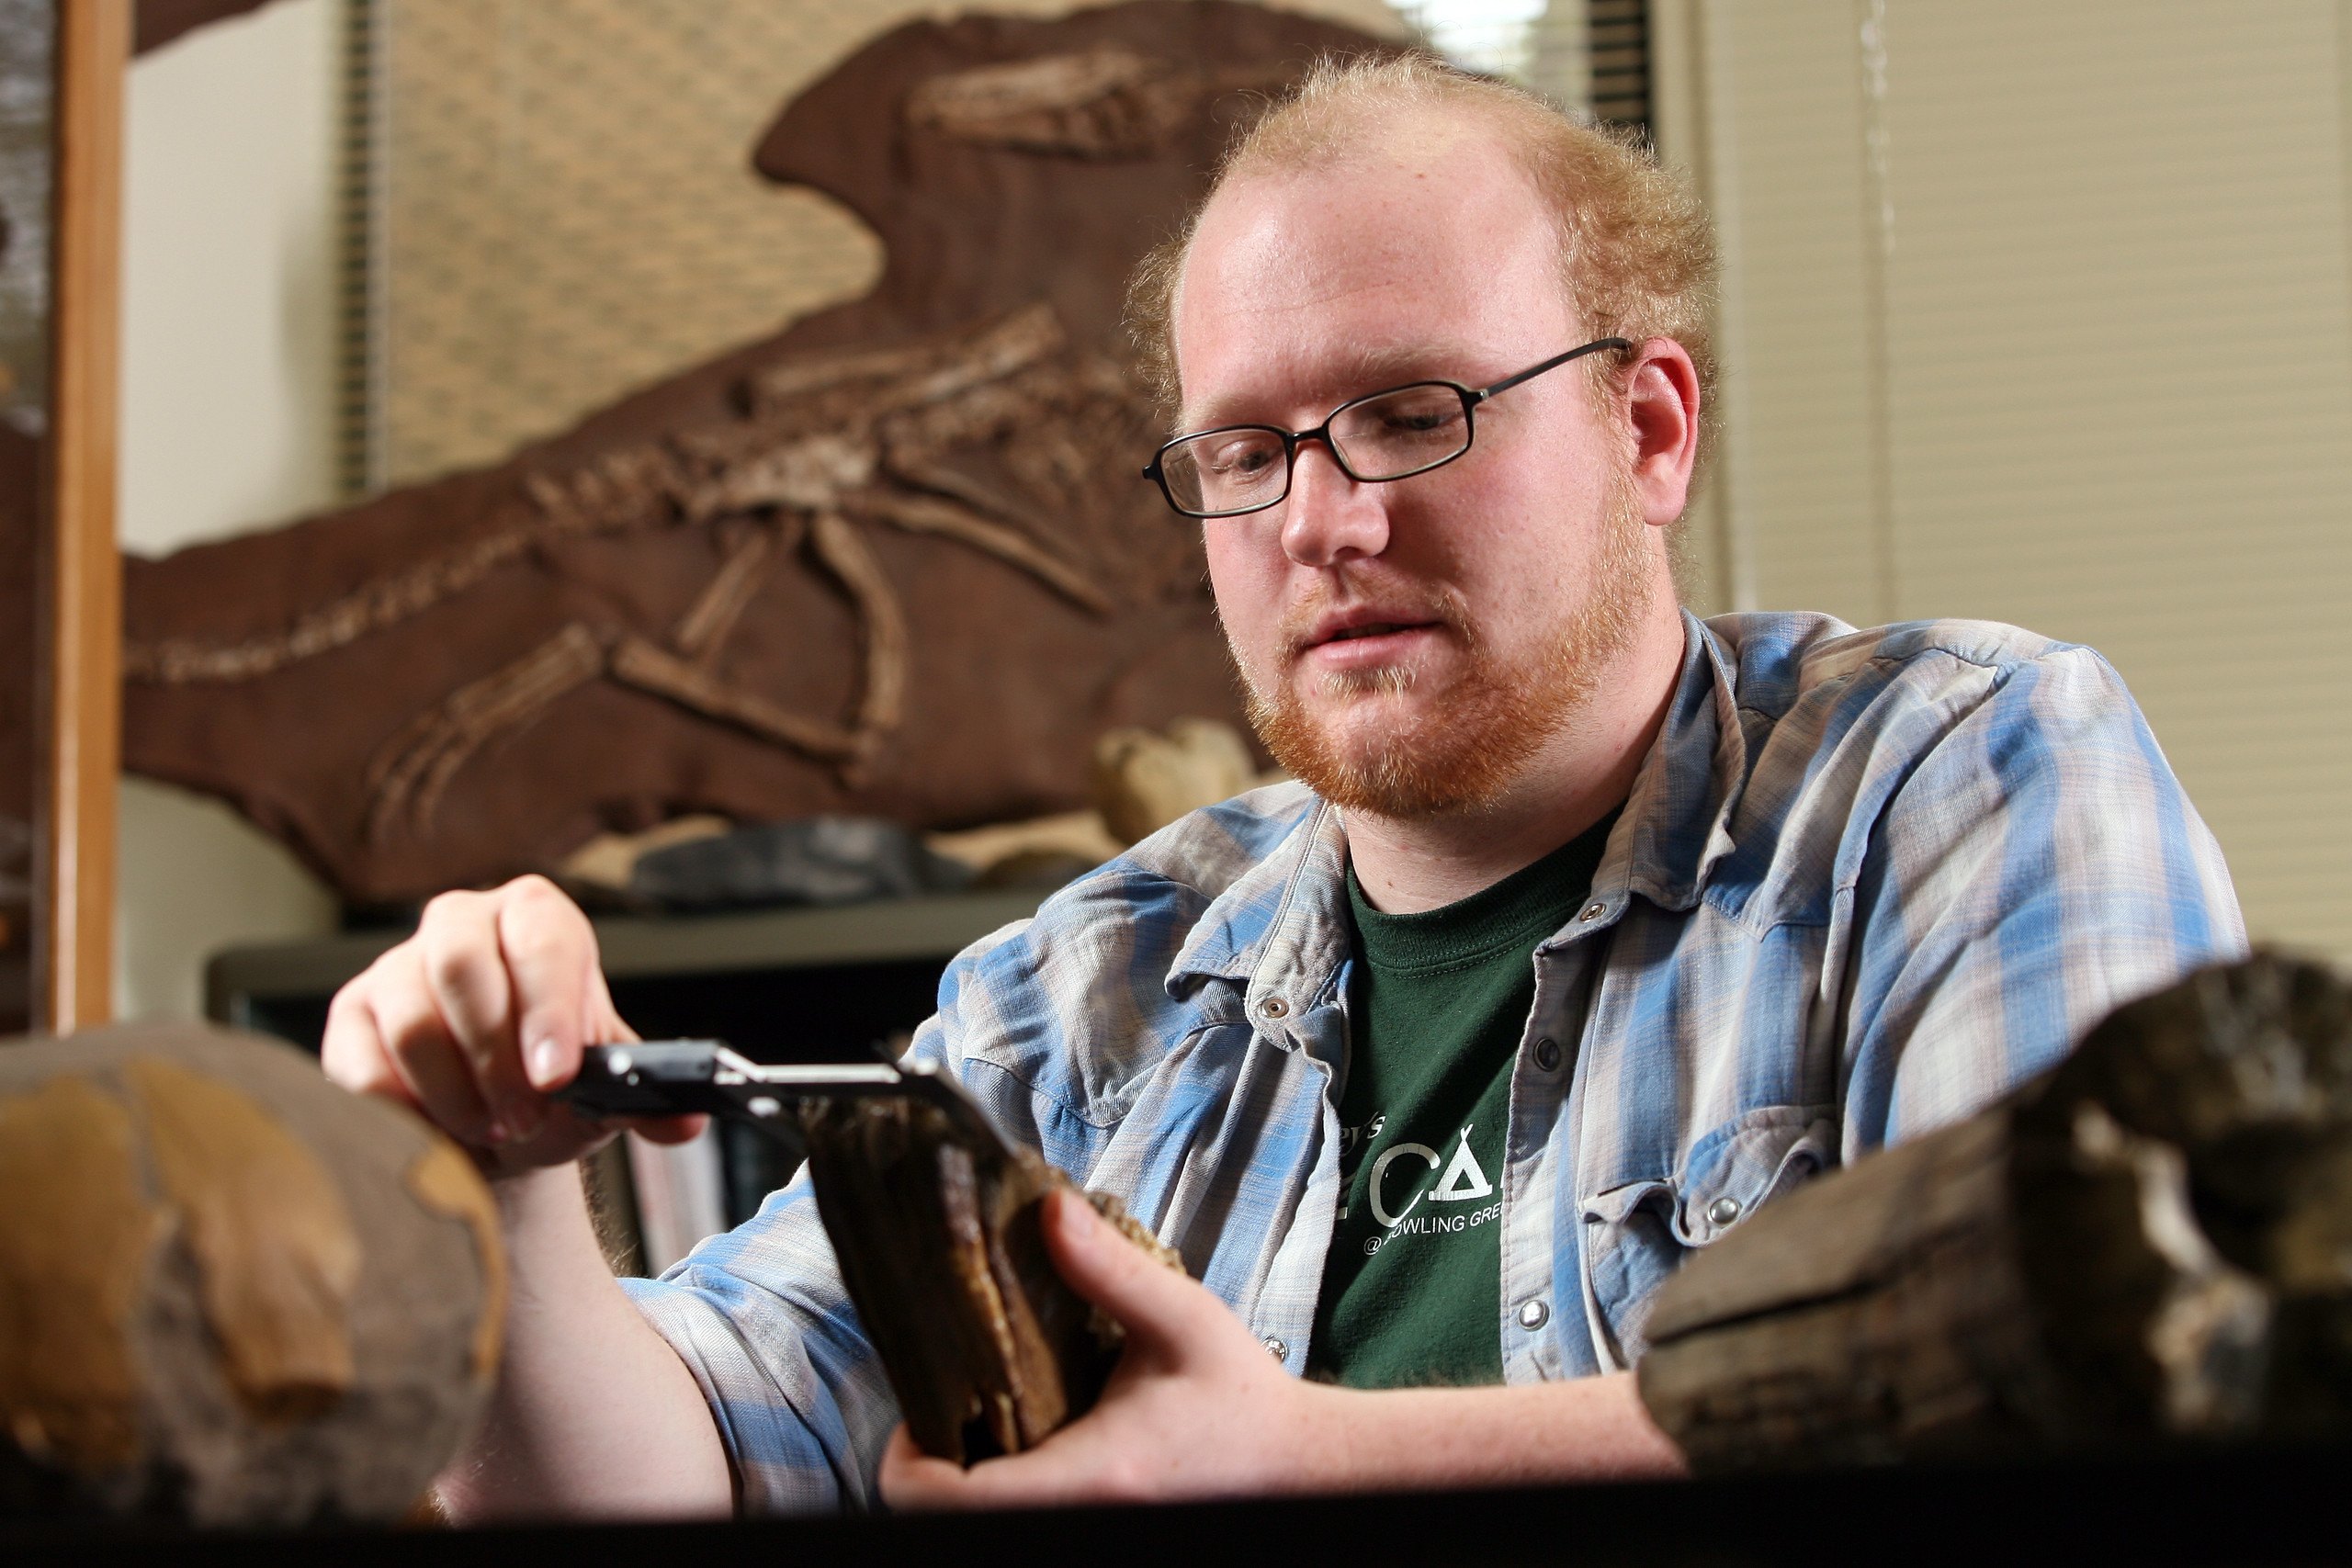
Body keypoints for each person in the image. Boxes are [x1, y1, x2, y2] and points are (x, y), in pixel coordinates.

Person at [322, 55, 2245, 1519]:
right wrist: (498, 1186)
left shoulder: (1958, 775)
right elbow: (684, 1461)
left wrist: (1315, 1460)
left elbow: (2107, 1376)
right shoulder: (1087, 995)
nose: (1322, 518)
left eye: (1414, 411)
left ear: (1645, 426)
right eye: (1243, 448)